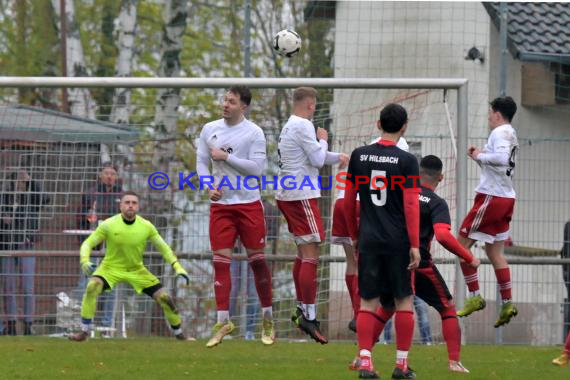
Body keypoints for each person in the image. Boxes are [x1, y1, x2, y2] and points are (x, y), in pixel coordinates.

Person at [351, 155, 480, 375]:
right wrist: (468, 256)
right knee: (446, 307)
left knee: (386, 307)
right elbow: (442, 235)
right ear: (441, 177)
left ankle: (361, 357)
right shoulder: (436, 203)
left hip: (389, 256)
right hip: (419, 262)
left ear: (417, 174)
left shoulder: (401, 193)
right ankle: (453, 362)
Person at [343, 103, 420, 379]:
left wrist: (354, 235)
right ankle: (401, 365)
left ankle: (365, 362)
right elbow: (411, 205)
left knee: (368, 302)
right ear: (404, 127)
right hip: (398, 241)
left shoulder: (359, 156)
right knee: (403, 301)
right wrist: (414, 244)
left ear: (378, 125)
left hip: (370, 239)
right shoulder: (408, 161)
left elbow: (347, 202)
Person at [196, 86, 275, 347]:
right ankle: (223, 321)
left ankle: (267, 316)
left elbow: (257, 170)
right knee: (220, 262)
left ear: (244, 106)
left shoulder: (254, 132)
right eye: (225, 100)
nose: (225, 104)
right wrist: (209, 186)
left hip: (249, 204)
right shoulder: (209, 129)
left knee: (258, 263)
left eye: (231, 101)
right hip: (221, 207)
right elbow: (201, 162)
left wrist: (226, 157)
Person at [275, 86, 349, 344]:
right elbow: (317, 158)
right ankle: (309, 315)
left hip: (289, 194)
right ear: (310, 105)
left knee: (303, 251)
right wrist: (324, 138)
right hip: (301, 195)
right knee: (311, 253)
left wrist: (337, 156)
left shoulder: (290, 125)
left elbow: (314, 156)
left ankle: (301, 310)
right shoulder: (305, 126)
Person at [68, 191, 190, 342]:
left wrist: (177, 266)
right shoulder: (109, 224)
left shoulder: (146, 226)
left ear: (138, 207)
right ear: (120, 206)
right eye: (127, 202)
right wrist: (84, 260)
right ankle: (84, 332)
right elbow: (88, 243)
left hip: (136, 270)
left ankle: (180, 335)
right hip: (110, 268)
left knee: (164, 297)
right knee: (92, 286)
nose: (130, 205)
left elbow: (164, 248)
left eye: (134, 203)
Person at [332, 137, 409, 333]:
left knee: (352, 261)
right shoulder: (402, 147)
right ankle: (362, 315)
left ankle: (356, 312)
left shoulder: (367, 148)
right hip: (361, 205)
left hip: (342, 201)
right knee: (363, 263)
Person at [456, 96, 519, 328]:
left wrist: (479, 156)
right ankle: (507, 303)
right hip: (506, 197)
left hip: (491, 198)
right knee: (495, 253)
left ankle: (475, 297)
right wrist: (480, 157)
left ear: (498, 114)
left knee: (459, 246)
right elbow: (500, 164)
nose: (488, 116)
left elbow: (501, 159)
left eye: (490, 112)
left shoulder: (499, 132)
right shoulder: (510, 133)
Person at [0, 170, 50, 335]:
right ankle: (11, 323)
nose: (20, 184)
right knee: (8, 287)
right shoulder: (4, 199)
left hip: (26, 245)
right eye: (18, 180)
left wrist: (31, 181)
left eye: (24, 181)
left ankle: (29, 324)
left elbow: (45, 198)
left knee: (28, 286)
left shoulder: (32, 198)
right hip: (7, 247)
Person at [76, 162, 122, 335]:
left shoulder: (121, 195)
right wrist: (83, 242)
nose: (110, 176)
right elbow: (80, 217)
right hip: (94, 247)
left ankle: (106, 325)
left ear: (116, 177)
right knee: (86, 283)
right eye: (107, 173)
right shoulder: (90, 193)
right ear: (100, 175)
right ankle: (84, 322)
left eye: (113, 173)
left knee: (110, 287)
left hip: (113, 248)